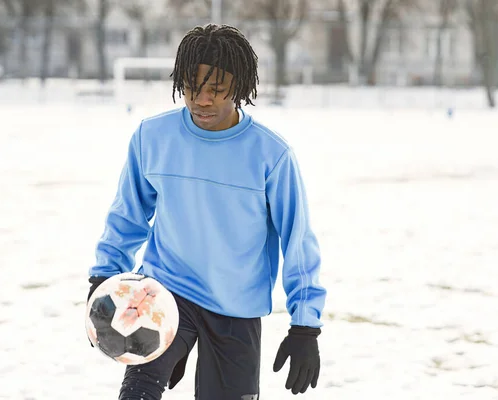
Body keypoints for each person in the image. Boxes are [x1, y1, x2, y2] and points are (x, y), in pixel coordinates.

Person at [87, 24, 326, 400]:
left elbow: (297, 240)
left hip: (236, 306)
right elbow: (128, 214)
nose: (201, 100)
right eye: (192, 88)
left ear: (241, 88)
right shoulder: (153, 137)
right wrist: (103, 276)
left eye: (216, 89)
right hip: (164, 292)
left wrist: (305, 326)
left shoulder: (271, 155)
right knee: (138, 393)